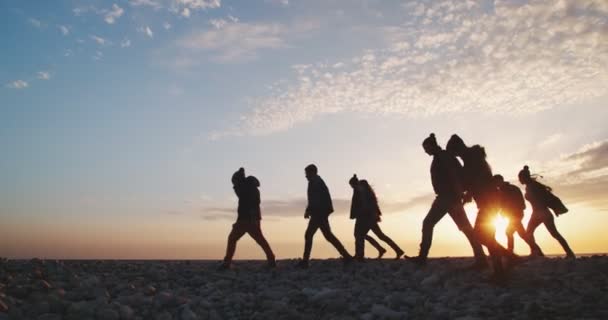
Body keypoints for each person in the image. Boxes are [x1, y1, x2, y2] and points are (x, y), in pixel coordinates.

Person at [446, 134, 520, 278]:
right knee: (485, 236)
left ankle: (502, 270)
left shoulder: (471, 160)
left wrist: (467, 192)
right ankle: (508, 260)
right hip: (489, 200)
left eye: (453, 153)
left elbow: (477, 181)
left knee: (482, 235)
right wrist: (468, 193)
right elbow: (476, 181)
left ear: (457, 149)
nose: (454, 156)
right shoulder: (473, 158)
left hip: (489, 201)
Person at [408, 134, 486, 267]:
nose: (425, 151)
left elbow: (454, 176)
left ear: (432, 146)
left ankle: (422, 258)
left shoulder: (443, 157)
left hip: (447, 198)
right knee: (466, 228)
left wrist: (457, 196)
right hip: (448, 198)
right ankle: (481, 258)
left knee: (428, 223)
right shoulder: (441, 157)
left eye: (426, 148)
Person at [219, 168, 276, 270]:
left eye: (235, 183)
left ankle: (227, 263)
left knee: (232, 239)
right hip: (251, 219)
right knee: (260, 240)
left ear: (238, 181)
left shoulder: (246, 189)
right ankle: (271, 260)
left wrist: (251, 218)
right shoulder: (250, 188)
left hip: (246, 219)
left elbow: (253, 203)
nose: (234, 187)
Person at [298, 164, 352, 268]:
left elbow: (316, 199)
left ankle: (305, 262)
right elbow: (313, 199)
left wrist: (310, 211)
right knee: (328, 236)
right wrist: (309, 210)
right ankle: (346, 256)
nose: (306, 176)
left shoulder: (316, 182)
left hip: (319, 213)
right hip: (320, 213)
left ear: (312, 172)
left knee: (309, 235)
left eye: (307, 173)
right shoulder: (315, 182)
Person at [518, 165, 575, 259]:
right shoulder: (530, 186)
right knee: (529, 233)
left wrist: (554, 208)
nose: (519, 180)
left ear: (524, 178)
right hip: (536, 213)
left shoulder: (533, 186)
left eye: (520, 178)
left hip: (543, 213)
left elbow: (545, 198)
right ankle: (536, 253)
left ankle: (569, 253)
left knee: (554, 234)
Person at [349, 174, 405, 260]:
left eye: (352, 185)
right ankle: (394, 250)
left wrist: (360, 214)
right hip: (369, 217)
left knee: (360, 235)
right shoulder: (362, 191)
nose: (352, 187)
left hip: (366, 218)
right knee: (378, 236)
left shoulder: (362, 191)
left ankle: (360, 255)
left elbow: (364, 206)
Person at [493, 174, 543, 256]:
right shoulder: (504, 190)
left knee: (509, 232)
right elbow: (503, 204)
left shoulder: (510, 189)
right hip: (514, 215)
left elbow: (514, 203)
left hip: (516, 214)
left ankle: (510, 252)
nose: (496, 184)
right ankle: (537, 250)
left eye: (496, 182)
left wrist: (506, 210)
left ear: (501, 180)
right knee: (521, 234)